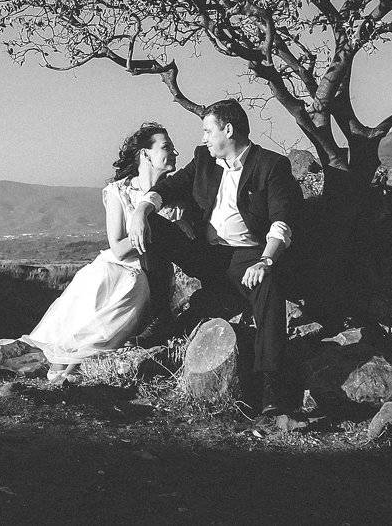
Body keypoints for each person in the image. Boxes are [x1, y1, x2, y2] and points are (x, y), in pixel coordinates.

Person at [127, 98, 302, 414]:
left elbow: (282, 221)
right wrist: (142, 209)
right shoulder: (203, 160)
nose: (204, 138)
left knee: (268, 286)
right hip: (205, 254)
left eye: (208, 131)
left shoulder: (271, 165)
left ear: (229, 130)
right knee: (151, 226)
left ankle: (271, 390)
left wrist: (266, 260)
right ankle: (162, 317)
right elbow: (170, 187)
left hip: (246, 257)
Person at [0, 123, 178, 383]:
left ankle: (72, 366)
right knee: (103, 279)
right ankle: (63, 361)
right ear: (145, 154)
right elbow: (118, 248)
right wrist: (150, 229)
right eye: (166, 147)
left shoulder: (174, 192)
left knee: (131, 287)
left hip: (147, 272)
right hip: (117, 263)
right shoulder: (119, 191)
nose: (174, 152)